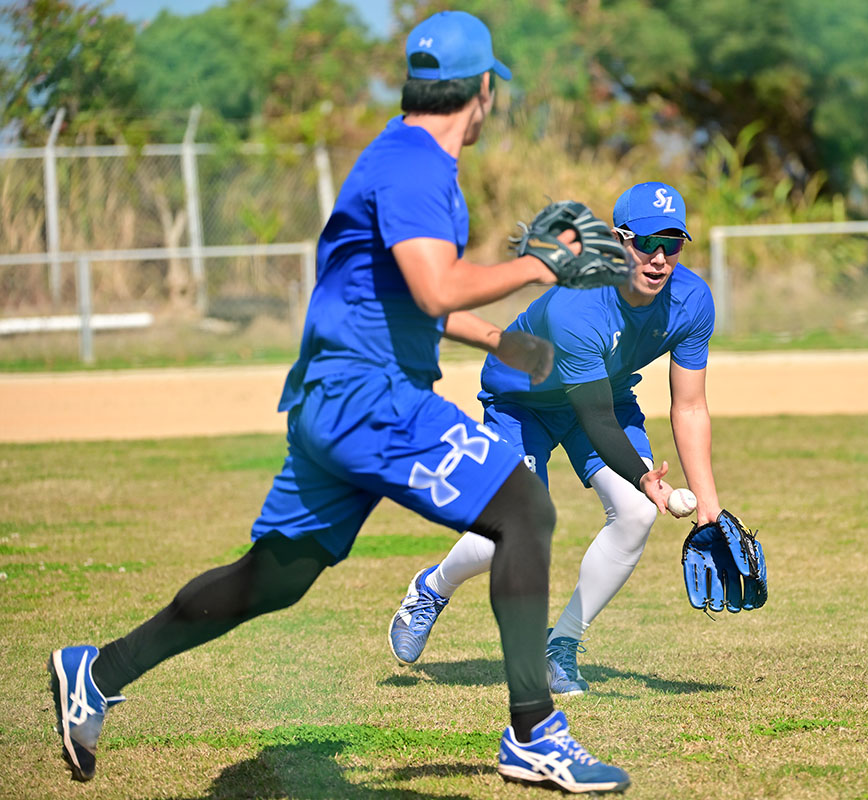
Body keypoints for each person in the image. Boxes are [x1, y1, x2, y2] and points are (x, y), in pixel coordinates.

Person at [47, 11, 630, 795]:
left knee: (276, 577)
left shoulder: (400, 158)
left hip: (335, 399)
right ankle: (534, 732)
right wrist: (539, 266)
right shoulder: (420, 168)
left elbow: (400, 297)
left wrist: (499, 342)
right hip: (371, 399)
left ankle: (98, 669)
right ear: (484, 91)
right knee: (524, 509)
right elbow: (431, 285)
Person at [389, 180, 720, 695]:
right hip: (524, 403)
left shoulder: (692, 301)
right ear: (618, 241)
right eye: (646, 243)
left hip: (604, 397)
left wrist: (710, 506)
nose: (658, 259)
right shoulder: (579, 307)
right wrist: (646, 479)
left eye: (671, 244)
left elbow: (691, 404)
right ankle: (432, 588)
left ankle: (560, 644)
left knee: (634, 515)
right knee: (513, 532)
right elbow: (595, 421)